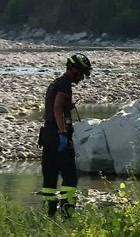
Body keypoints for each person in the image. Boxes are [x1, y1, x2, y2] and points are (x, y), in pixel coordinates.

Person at [38, 53, 92, 217]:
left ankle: (49, 215)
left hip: (47, 135)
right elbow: (57, 108)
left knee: (50, 178)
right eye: (82, 73)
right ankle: (67, 213)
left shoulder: (55, 83)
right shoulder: (64, 85)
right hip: (57, 136)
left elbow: (53, 109)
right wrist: (62, 133)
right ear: (74, 70)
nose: (82, 77)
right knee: (70, 178)